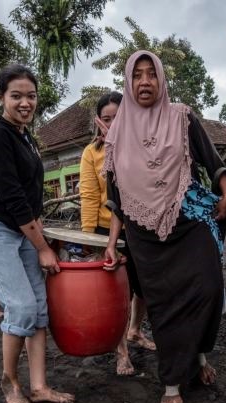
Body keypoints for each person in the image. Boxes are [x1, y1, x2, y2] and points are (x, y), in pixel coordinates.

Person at [103, 50, 226, 403]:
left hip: (189, 220)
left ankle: (200, 355)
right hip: (144, 234)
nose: (145, 82)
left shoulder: (182, 117)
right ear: (128, 83)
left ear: (161, 79)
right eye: (137, 75)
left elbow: (212, 160)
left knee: (207, 288)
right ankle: (174, 379)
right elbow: (114, 195)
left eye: (152, 74)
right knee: (165, 305)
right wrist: (113, 244)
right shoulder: (117, 133)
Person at [0, 63, 75, 403]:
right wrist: (42, 247)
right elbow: (10, 195)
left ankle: (39, 386)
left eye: (31, 96)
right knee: (22, 306)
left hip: (22, 227)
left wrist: (42, 235)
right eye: (16, 96)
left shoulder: (25, 136)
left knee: (39, 307)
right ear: (1, 98)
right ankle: (9, 381)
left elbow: (31, 194)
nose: (25, 102)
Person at [79, 91, 157, 376]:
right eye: (107, 119)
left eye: (118, 117)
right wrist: (88, 237)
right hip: (106, 230)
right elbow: (89, 195)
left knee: (144, 287)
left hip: (141, 227)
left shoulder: (144, 144)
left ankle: (135, 330)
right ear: (99, 122)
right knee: (119, 292)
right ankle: (121, 351)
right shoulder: (92, 153)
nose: (112, 124)